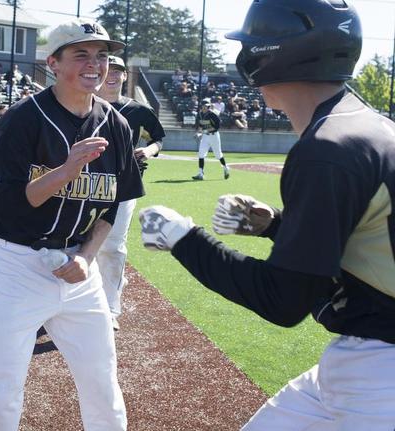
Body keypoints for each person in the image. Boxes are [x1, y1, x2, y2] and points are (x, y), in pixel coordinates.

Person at [139, 1, 395, 429]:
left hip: (379, 369)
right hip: (366, 355)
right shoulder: (371, 125)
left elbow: (283, 301)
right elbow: (358, 247)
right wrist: (277, 225)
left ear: (270, 54)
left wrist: (182, 237)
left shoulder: (326, 148)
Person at [0, 18, 144, 430]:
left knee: (102, 381)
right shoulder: (22, 119)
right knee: (0, 386)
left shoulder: (116, 124)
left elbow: (111, 207)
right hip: (18, 266)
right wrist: (65, 170)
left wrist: (87, 257)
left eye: (101, 56)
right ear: (53, 62)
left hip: (81, 271)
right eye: (80, 54)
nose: (94, 64)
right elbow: (7, 205)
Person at [95, 55, 165, 331]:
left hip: (123, 186)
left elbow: (157, 138)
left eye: (118, 71)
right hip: (85, 186)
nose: (112, 75)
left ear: (125, 76)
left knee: (111, 246)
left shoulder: (137, 110)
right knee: (81, 245)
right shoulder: (83, 105)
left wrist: (148, 150)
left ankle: (110, 308)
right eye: (108, 69)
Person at [192, 100, 229, 180]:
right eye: (204, 106)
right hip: (205, 136)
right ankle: (200, 173)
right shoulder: (200, 114)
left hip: (214, 136)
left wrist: (203, 132)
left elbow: (216, 127)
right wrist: (198, 132)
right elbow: (201, 125)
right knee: (201, 154)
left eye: (206, 106)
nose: (205, 108)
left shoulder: (213, 114)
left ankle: (225, 168)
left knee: (218, 154)